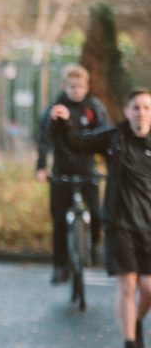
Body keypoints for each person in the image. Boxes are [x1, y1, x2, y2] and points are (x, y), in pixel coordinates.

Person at [52, 88, 151, 348]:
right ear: (127, 111)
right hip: (120, 223)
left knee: (148, 289)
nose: (141, 113)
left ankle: (136, 320)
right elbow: (78, 142)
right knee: (127, 283)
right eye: (136, 107)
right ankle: (131, 345)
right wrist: (64, 121)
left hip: (149, 226)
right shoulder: (114, 137)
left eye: (146, 108)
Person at [36, 64, 110, 283]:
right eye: (71, 86)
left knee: (97, 215)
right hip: (62, 172)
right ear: (65, 86)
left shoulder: (94, 108)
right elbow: (44, 140)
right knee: (59, 220)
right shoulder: (55, 108)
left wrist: (109, 166)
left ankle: (93, 246)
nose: (76, 90)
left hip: (88, 171)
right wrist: (42, 167)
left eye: (80, 87)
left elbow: (106, 138)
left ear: (87, 87)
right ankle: (60, 265)